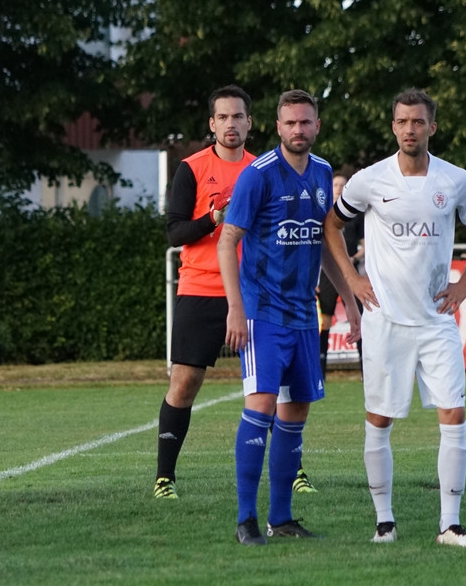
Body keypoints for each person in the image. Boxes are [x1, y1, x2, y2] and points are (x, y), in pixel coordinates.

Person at [323, 88, 466, 548]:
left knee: (454, 414)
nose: (409, 129)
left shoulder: (455, 180)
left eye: (418, 121)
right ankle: (385, 523)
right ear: (393, 127)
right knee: (379, 420)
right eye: (402, 121)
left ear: (431, 127)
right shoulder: (369, 180)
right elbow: (332, 226)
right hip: (385, 322)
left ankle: (450, 525)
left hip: (436, 321)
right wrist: (353, 279)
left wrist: (464, 284)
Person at [218, 89, 360, 545]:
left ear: (317, 126)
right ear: (277, 127)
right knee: (260, 405)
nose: (298, 129)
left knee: (296, 410)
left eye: (306, 122)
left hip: (303, 316)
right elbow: (227, 241)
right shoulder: (258, 176)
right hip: (262, 313)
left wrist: (350, 302)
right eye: (290, 123)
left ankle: (281, 518)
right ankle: (245, 519)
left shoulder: (322, 173)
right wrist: (235, 308)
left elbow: (327, 247)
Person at [154, 85, 256, 500]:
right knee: (185, 382)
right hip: (201, 288)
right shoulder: (191, 168)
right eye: (223, 117)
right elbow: (175, 232)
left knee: (272, 386)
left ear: (250, 122)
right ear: (212, 124)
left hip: (252, 291)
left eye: (238, 116)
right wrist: (214, 217)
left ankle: (295, 471)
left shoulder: (263, 169)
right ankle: (165, 478)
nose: (231, 124)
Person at [316, 174, 364, 378]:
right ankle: (320, 370)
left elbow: (365, 245)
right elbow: (319, 246)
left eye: (342, 185)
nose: (338, 187)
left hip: (350, 272)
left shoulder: (355, 215)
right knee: (324, 321)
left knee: (359, 317)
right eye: (335, 184)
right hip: (327, 273)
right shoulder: (323, 212)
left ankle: (365, 368)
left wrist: (352, 258)